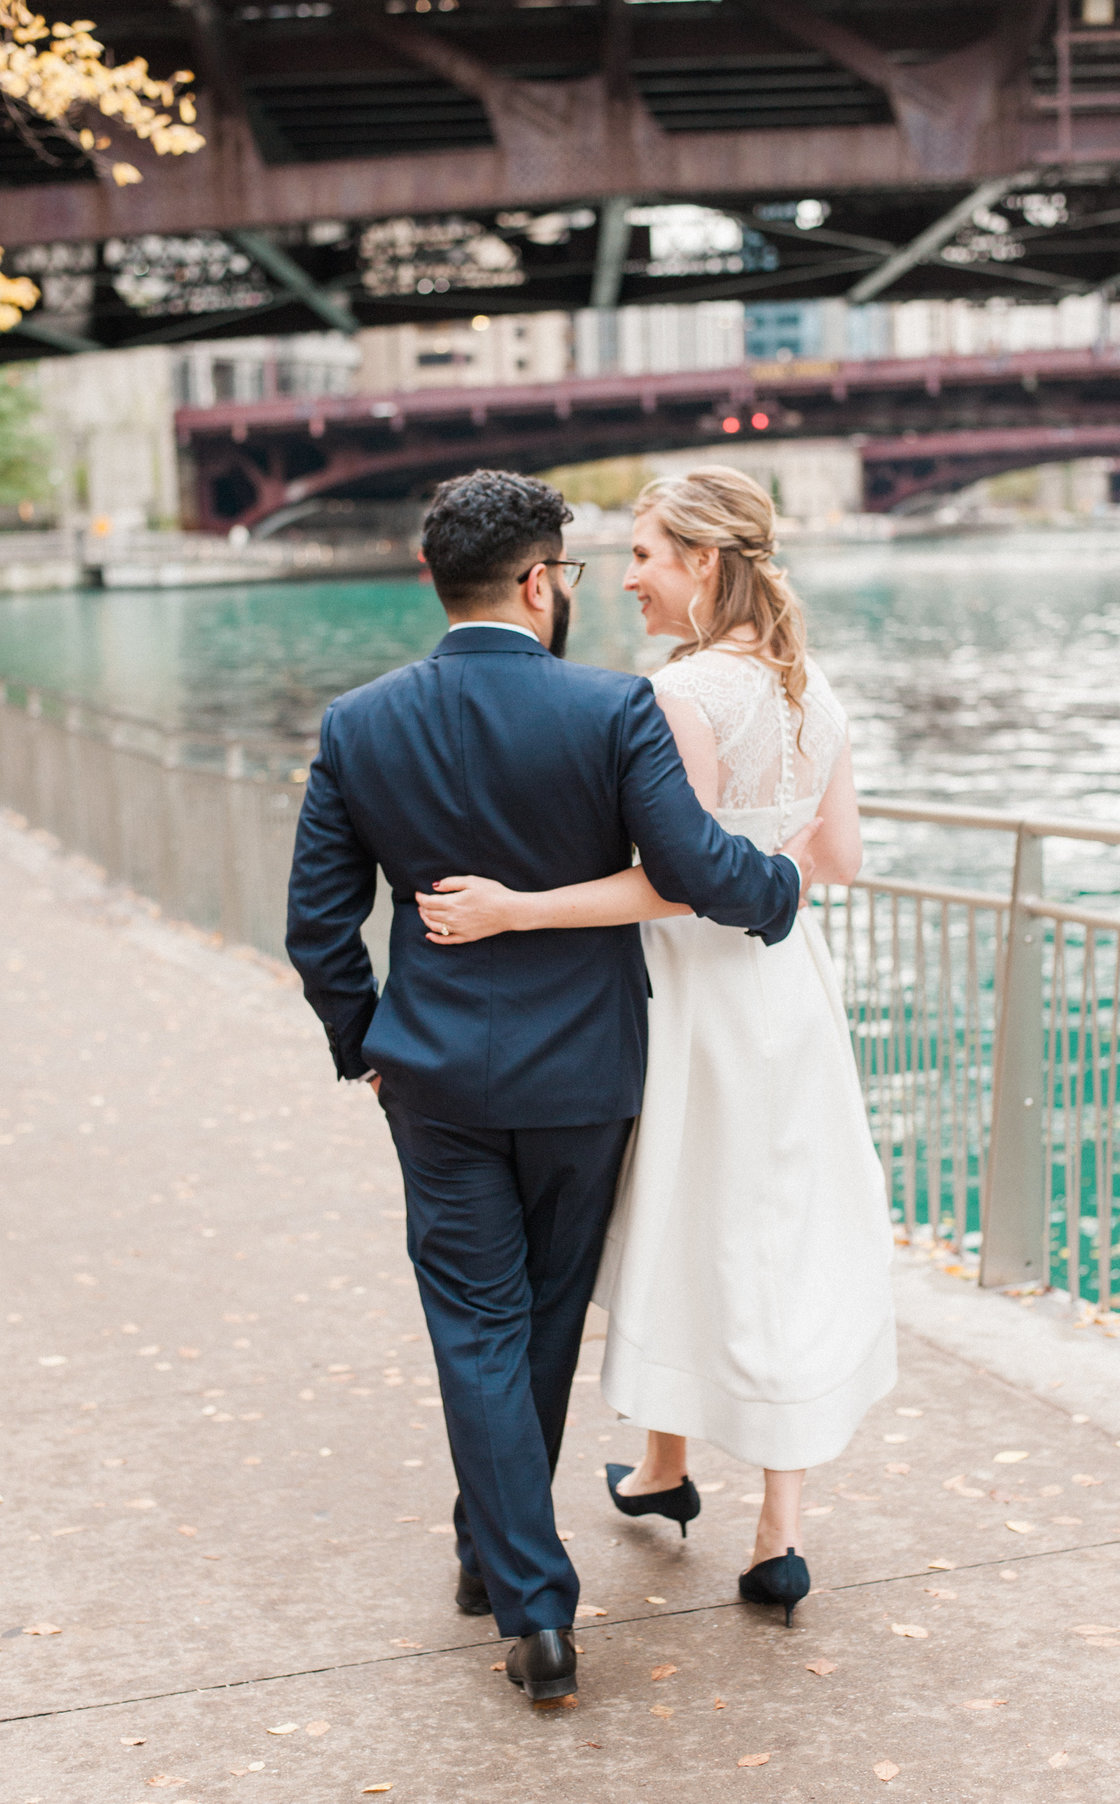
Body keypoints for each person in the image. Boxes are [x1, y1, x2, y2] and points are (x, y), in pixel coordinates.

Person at [285, 469, 817, 1704]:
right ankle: (524, 1587)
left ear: (436, 579)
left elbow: (319, 929)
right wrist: (782, 892)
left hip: (436, 1081)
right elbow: (693, 867)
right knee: (540, 1321)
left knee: (477, 1321)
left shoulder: (359, 723)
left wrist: (367, 1040)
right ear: (538, 583)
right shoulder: (611, 708)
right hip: (585, 1074)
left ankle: (508, 1571)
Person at [416, 467, 897, 1630]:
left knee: (683, 1214)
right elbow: (834, 862)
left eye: (645, 555)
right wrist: (757, 856)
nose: (625, 577)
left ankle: (670, 1464)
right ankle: (759, 1520)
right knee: (773, 1223)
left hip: (689, 997)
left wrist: (516, 908)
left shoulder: (680, 692)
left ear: (706, 563)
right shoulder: (806, 685)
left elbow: (671, 883)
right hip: (787, 986)